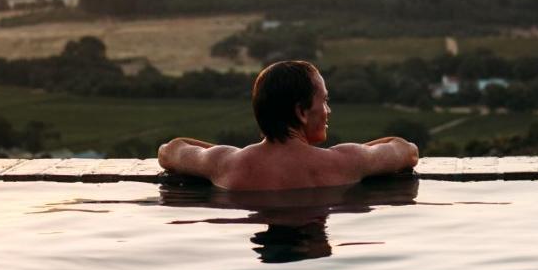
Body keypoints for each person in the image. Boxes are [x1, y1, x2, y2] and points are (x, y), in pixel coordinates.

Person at [157, 60, 419, 190]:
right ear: (302, 112)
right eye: (324, 101)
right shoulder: (347, 161)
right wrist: (358, 153)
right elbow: (407, 151)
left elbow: (170, 151)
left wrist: (234, 154)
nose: (328, 111)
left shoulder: (224, 163)